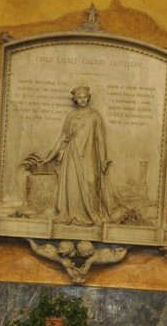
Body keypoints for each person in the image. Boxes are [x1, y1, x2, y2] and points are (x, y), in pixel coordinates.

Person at [37, 84, 111, 225]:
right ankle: (71, 215)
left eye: (84, 97)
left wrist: (103, 160)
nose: (82, 100)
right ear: (75, 100)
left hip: (89, 155)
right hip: (72, 155)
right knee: (72, 187)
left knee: (90, 182)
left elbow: (100, 139)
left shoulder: (95, 115)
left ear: (88, 98)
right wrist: (48, 157)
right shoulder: (71, 116)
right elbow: (62, 138)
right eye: (79, 97)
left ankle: (92, 215)